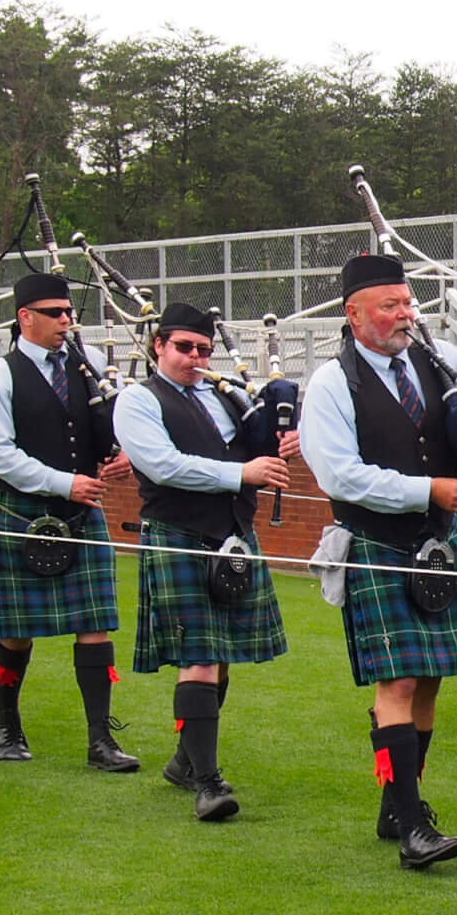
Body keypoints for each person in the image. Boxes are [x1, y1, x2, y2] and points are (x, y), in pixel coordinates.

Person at [299, 253, 457, 869]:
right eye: (391, 306)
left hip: (441, 546)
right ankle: (412, 830)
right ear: (354, 314)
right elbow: (339, 476)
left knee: (428, 679)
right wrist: (431, 490)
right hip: (378, 543)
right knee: (397, 681)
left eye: (408, 302)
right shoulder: (331, 383)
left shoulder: (438, 359)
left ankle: (398, 803)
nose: (406, 314)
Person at [115, 305, 295, 822]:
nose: (196, 358)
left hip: (233, 535)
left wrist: (285, 445)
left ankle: (182, 760)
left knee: (222, 655)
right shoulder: (138, 400)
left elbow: (257, 453)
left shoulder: (225, 398)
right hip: (179, 533)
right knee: (200, 654)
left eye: (203, 349)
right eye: (184, 348)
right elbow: (163, 465)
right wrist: (242, 473)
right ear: (159, 347)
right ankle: (208, 782)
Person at [0, 271, 139, 771]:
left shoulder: (90, 365)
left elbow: (111, 426)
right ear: (26, 318)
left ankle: (100, 740)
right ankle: (6, 723)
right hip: (24, 513)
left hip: (81, 516)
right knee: (16, 630)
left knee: (96, 625)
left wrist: (121, 455)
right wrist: (65, 483)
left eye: (69, 313)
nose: (67, 322)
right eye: (56, 314)